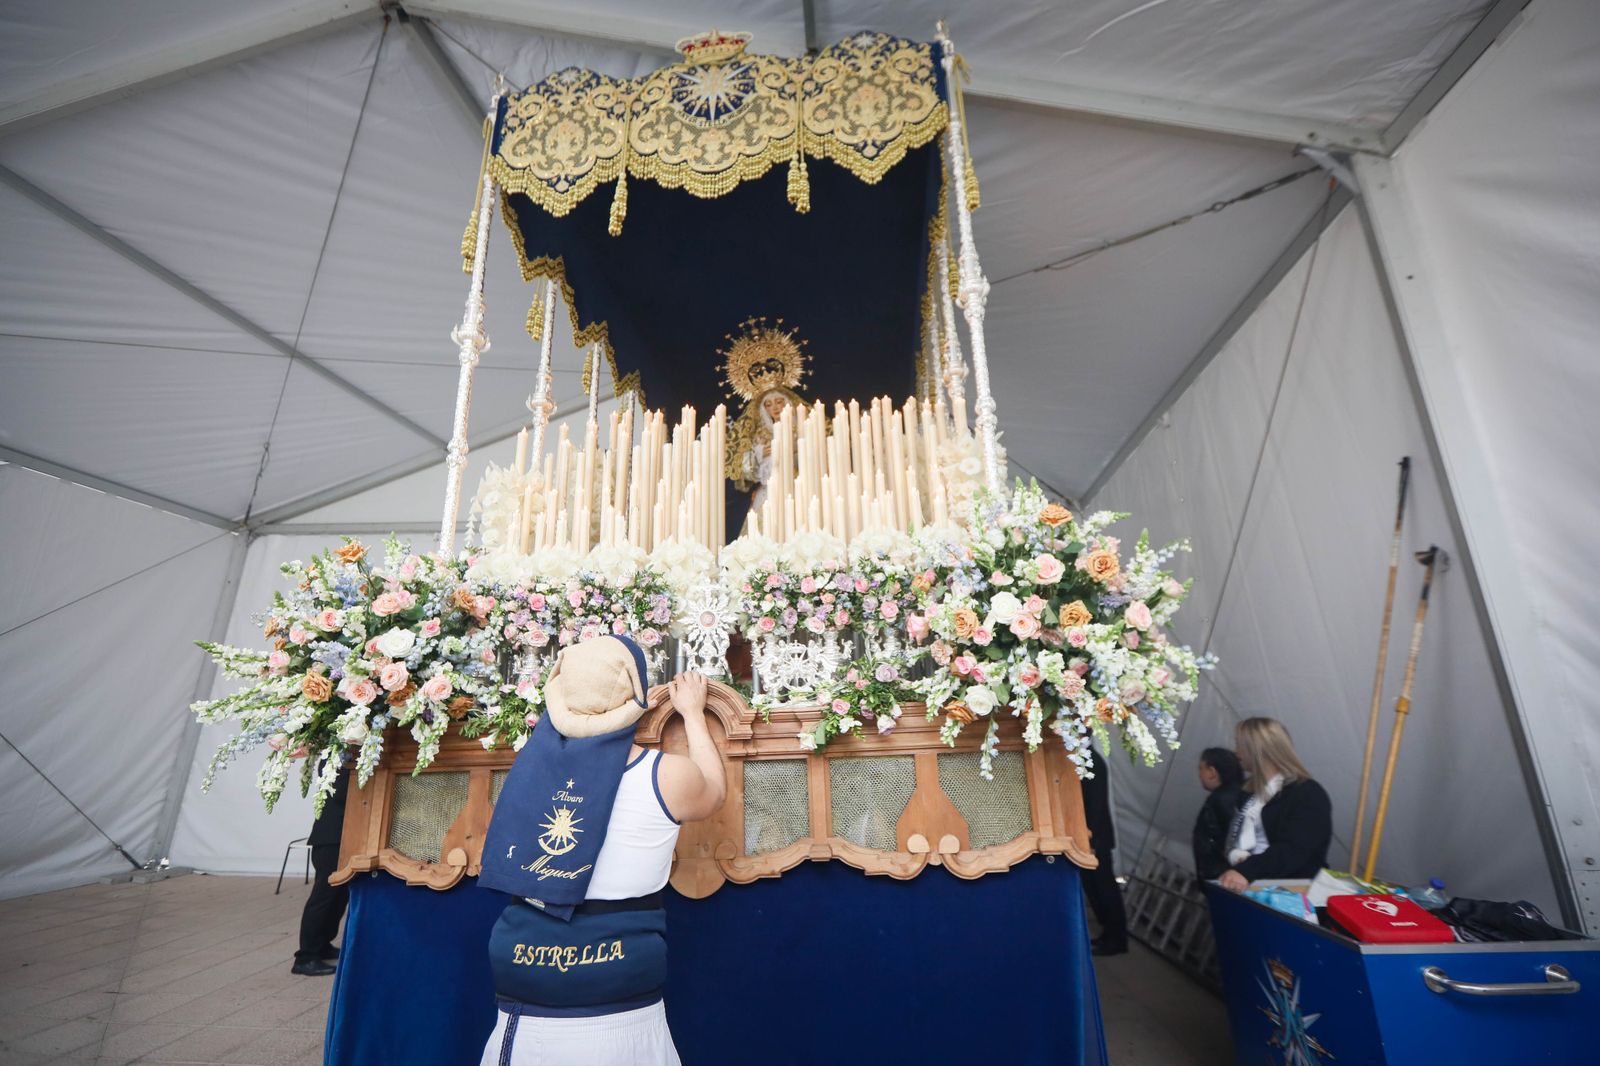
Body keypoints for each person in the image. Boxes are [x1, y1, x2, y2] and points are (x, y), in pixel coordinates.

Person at [476, 635, 726, 1065]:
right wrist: (692, 715)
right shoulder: (666, 775)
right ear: (636, 694)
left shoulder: (528, 774)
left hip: (524, 975)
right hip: (619, 988)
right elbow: (715, 792)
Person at [1218, 718, 1332, 892]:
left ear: (1257, 749)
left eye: (1240, 745)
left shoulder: (1307, 793)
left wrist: (1248, 870)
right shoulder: (1248, 791)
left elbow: (1295, 850)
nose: (1236, 752)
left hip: (1285, 896)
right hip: (1247, 887)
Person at [291, 770, 349, 976]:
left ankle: (322, 944)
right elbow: (341, 793)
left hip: (343, 835)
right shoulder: (336, 756)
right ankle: (306, 957)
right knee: (324, 897)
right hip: (330, 838)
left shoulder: (346, 754)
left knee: (339, 896)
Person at [1078, 745, 1128, 956]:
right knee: (1095, 888)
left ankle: (1116, 938)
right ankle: (1109, 934)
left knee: (1105, 889)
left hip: (1096, 838)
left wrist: (1092, 839)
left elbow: (1096, 806)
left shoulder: (1092, 761)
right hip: (1091, 837)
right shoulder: (1085, 759)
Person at [1191, 747, 1245, 882]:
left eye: (1201, 768)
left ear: (1212, 772)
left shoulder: (1222, 800)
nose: (1199, 774)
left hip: (1224, 877)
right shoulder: (1240, 796)